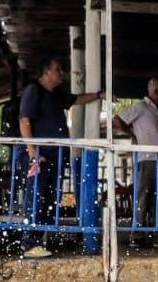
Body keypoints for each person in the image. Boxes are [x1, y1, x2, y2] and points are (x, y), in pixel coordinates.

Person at [18, 56, 103, 258]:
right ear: (46, 72)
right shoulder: (34, 91)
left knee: (49, 199)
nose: (61, 73)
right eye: (57, 69)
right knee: (35, 198)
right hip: (40, 156)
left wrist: (99, 95)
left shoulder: (56, 94)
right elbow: (24, 120)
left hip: (55, 156)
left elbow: (77, 99)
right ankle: (29, 243)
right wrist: (33, 153)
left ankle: (39, 241)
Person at [113, 78, 158, 248]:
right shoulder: (140, 107)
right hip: (147, 158)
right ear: (156, 92)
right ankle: (136, 234)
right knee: (143, 196)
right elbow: (118, 119)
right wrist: (133, 134)